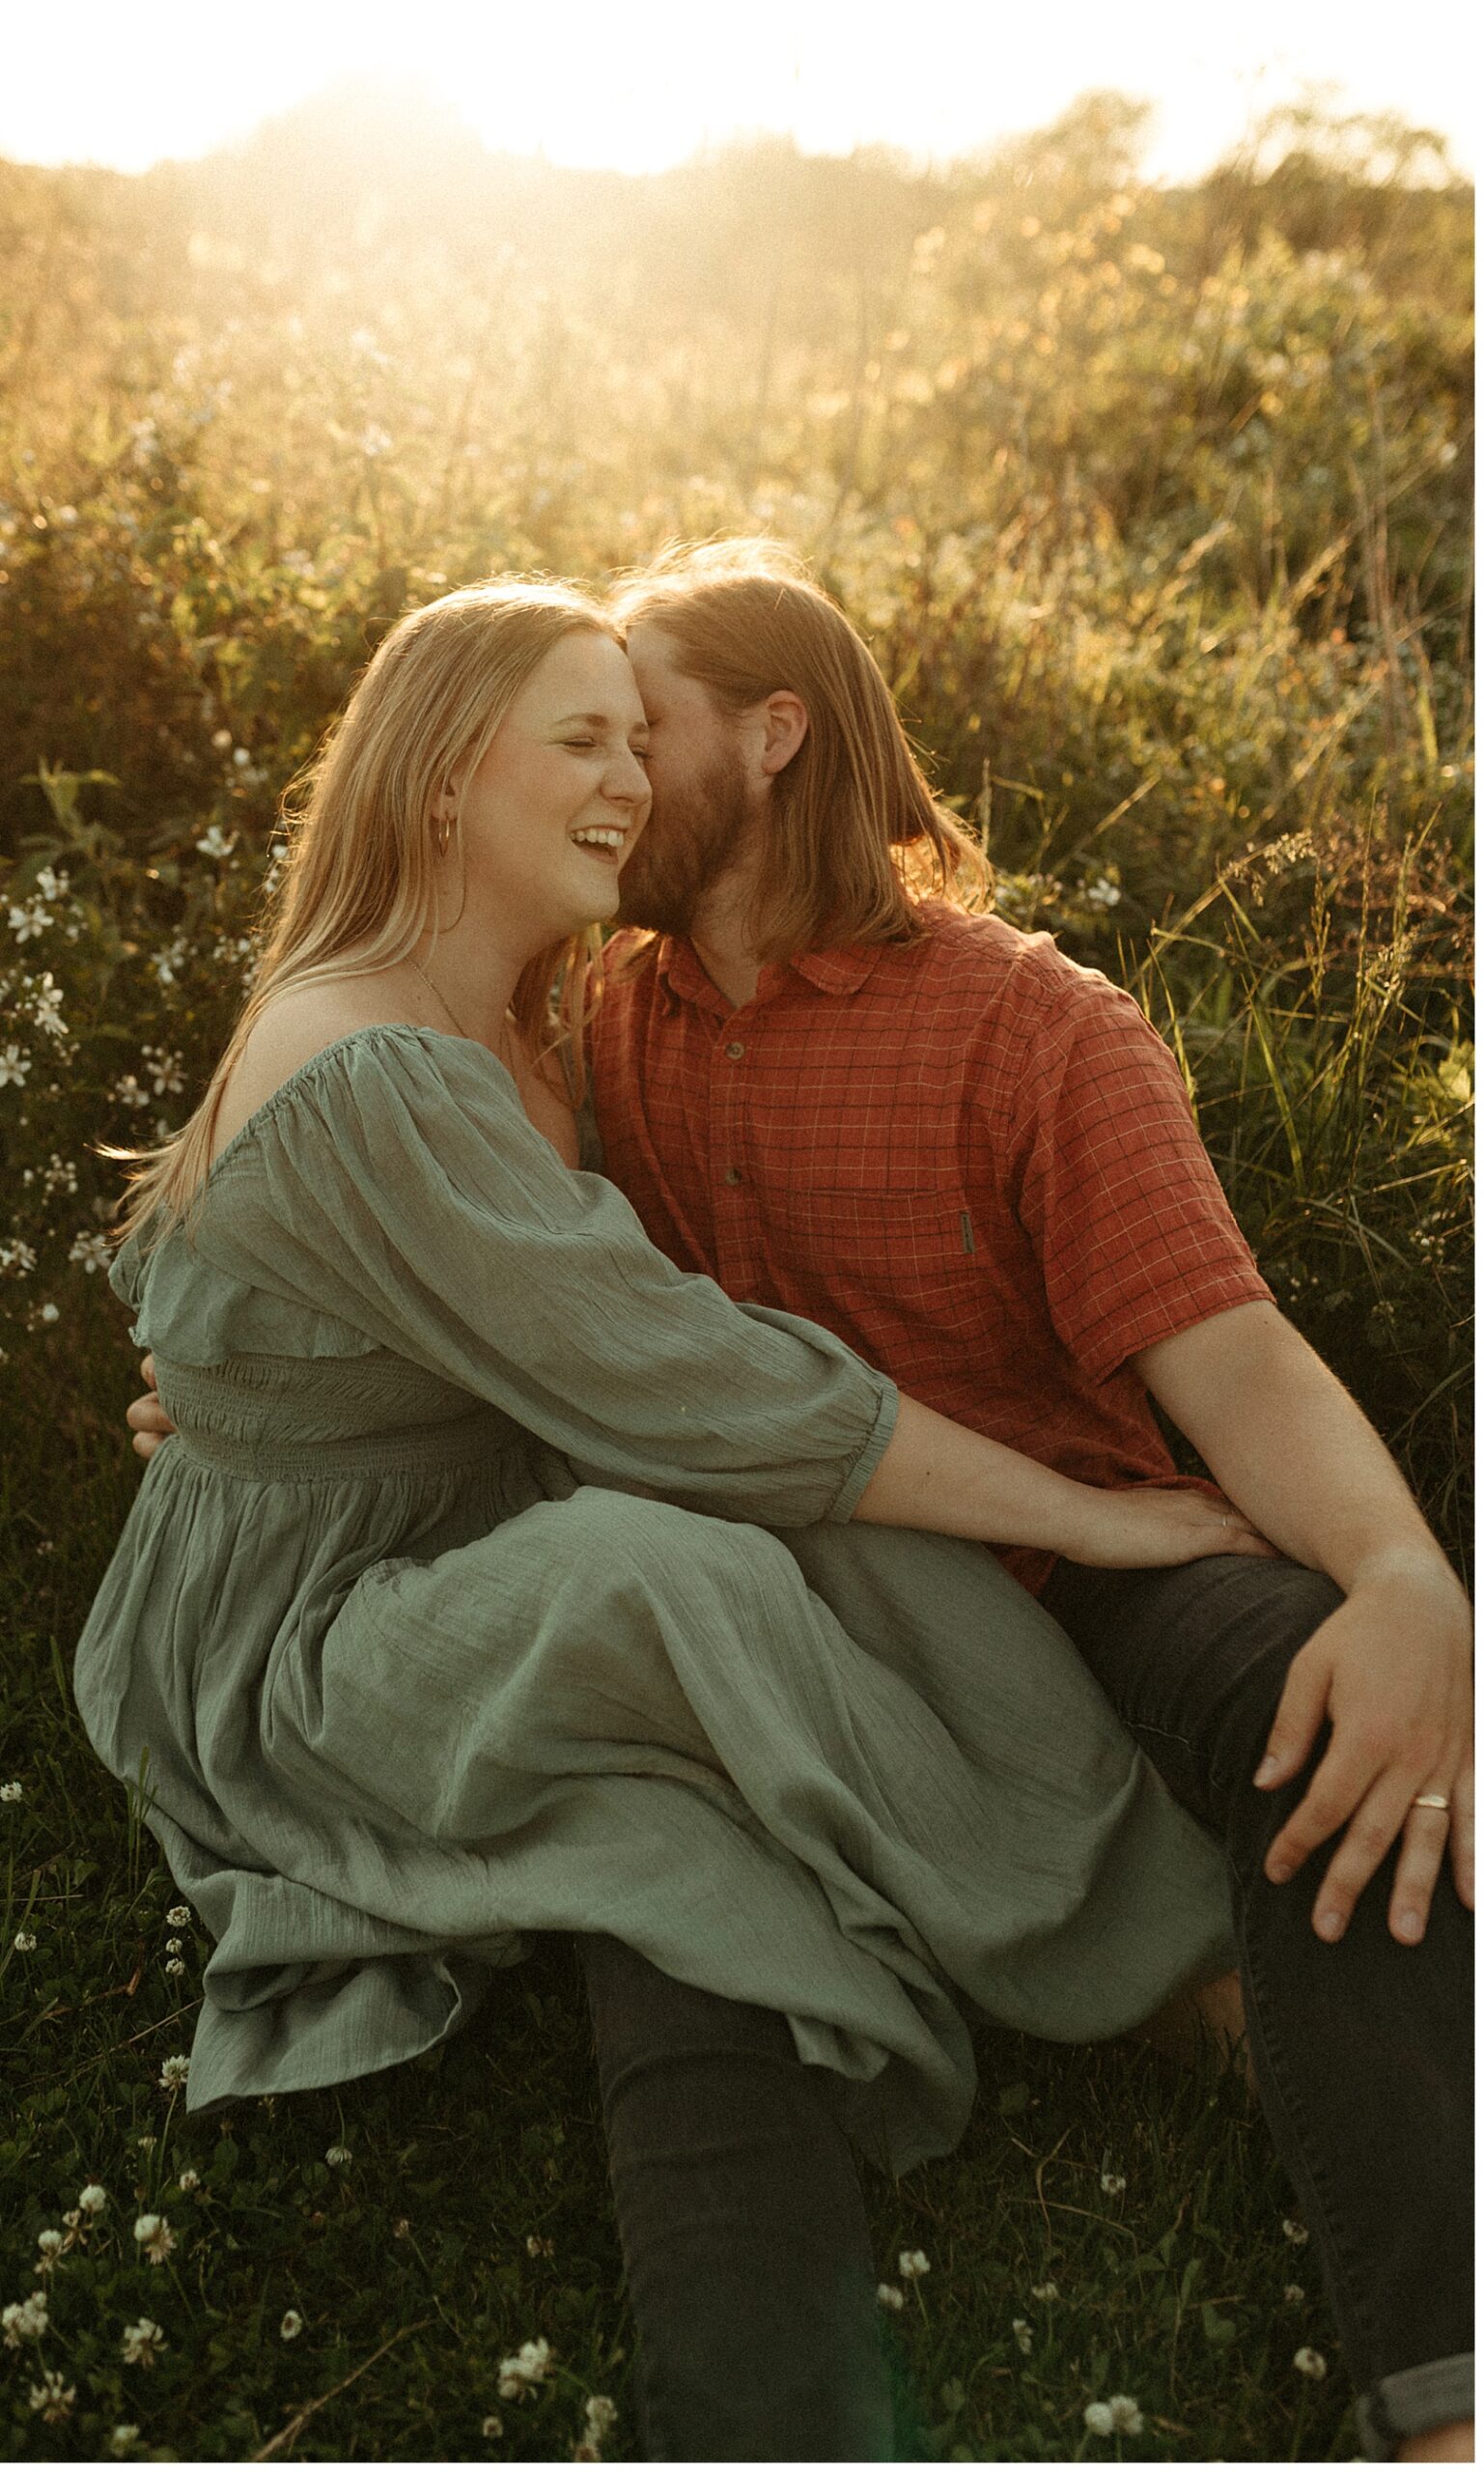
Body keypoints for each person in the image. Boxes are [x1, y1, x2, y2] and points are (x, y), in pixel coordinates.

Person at [98, 576, 1273, 2462]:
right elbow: (689, 1377)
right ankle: (1098, 1957)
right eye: (579, 739)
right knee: (661, 1551)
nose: (629, 780)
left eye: (638, 739)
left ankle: (1163, 1931)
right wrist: (1096, 1515)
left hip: (463, 1517)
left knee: (854, 1544)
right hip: (301, 1643)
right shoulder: (369, 1053)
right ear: (432, 783)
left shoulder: (530, 1020)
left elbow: (553, 1356)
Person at [582, 539, 1470, 2463]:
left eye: (628, 732)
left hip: (1092, 1550)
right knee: (655, 1886)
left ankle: (1446, 2398)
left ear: (771, 734)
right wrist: (246, 1382)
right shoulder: (595, 1021)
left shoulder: (1028, 1028)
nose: (597, 782)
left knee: (1321, 1704)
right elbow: (441, 1242)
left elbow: (1219, 1354)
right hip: (779, 1592)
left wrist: (1398, 1574)